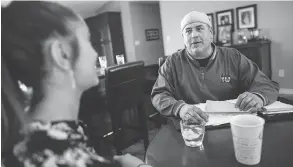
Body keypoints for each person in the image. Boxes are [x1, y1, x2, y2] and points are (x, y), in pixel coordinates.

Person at [1, 1, 151, 167]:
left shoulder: (21, 140)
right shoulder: (76, 160)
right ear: (62, 55)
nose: (95, 53)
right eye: (88, 40)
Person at [151, 11, 279, 128]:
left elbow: (267, 85)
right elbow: (159, 94)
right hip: (190, 129)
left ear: (211, 33)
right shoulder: (172, 63)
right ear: (184, 38)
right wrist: (180, 108)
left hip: (230, 127)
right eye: (188, 31)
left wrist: (258, 97)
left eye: (199, 29)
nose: (194, 35)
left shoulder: (233, 57)